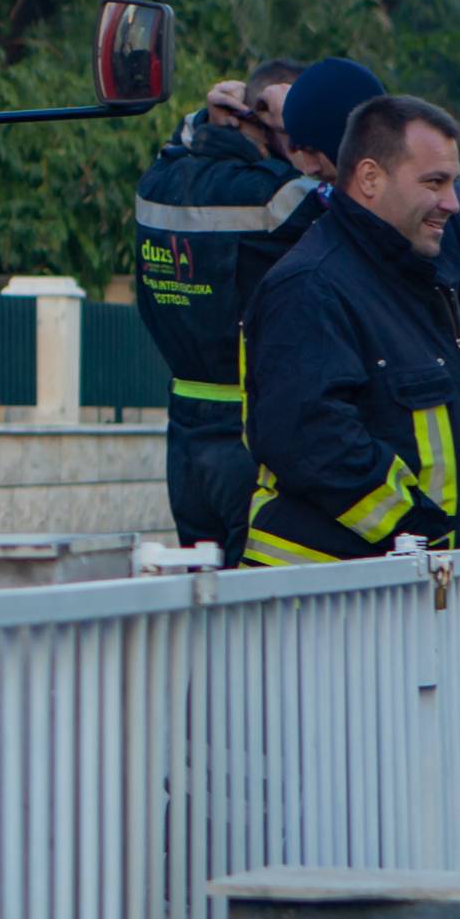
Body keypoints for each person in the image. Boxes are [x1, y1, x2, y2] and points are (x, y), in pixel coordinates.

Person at [242, 95, 460, 566]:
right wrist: (426, 535)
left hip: (403, 591)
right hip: (325, 604)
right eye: (434, 182)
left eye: (454, 184)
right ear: (369, 178)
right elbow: (314, 443)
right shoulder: (311, 287)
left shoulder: (419, 276)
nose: (452, 203)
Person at [132, 57, 317, 559]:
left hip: (185, 438)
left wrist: (202, 120)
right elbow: (362, 194)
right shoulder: (281, 199)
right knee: (252, 611)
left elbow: (175, 149)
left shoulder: (157, 185)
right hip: (250, 436)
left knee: (202, 594)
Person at [281, 58, 460, 348]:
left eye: (312, 151)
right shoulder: (448, 188)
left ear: (345, 142)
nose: (307, 167)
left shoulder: (414, 214)